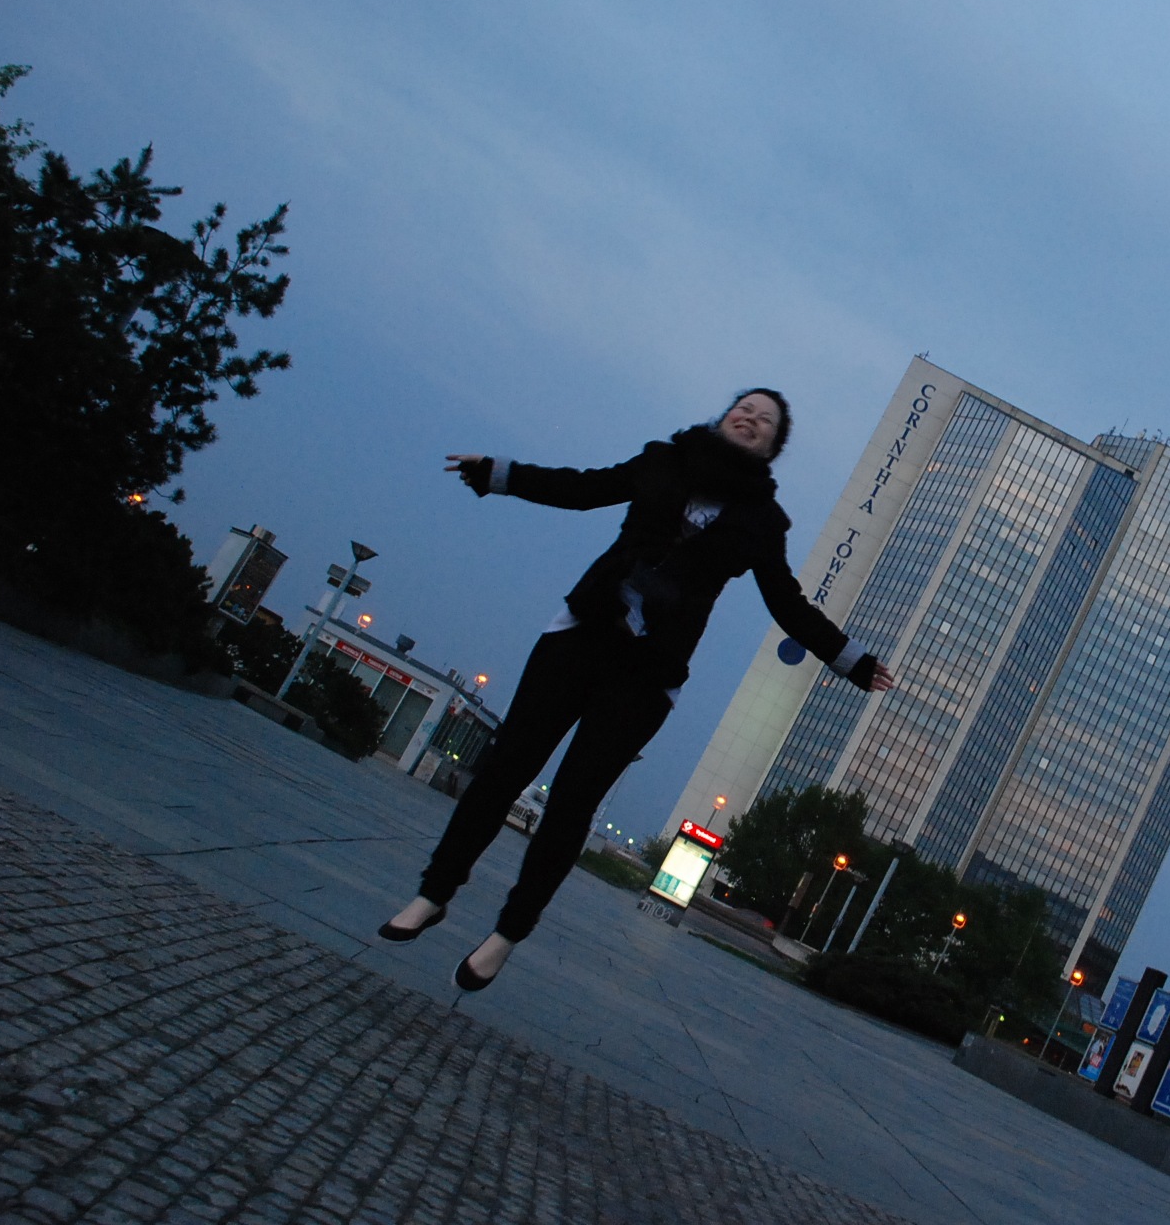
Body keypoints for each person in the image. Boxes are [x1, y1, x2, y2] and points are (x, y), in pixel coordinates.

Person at [379, 388, 894, 990]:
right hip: (583, 633)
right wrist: (499, 475)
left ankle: (506, 935)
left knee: (571, 804)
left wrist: (851, 661)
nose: (750, 420)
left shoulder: (762, 521)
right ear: (725, 417)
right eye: (744, 410)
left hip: (649, 672)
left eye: (765, 421)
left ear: (772, 447)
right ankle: (433, 894)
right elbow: (582, 488)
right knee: (504, 768)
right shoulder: (662, 460)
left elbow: (787, 601)